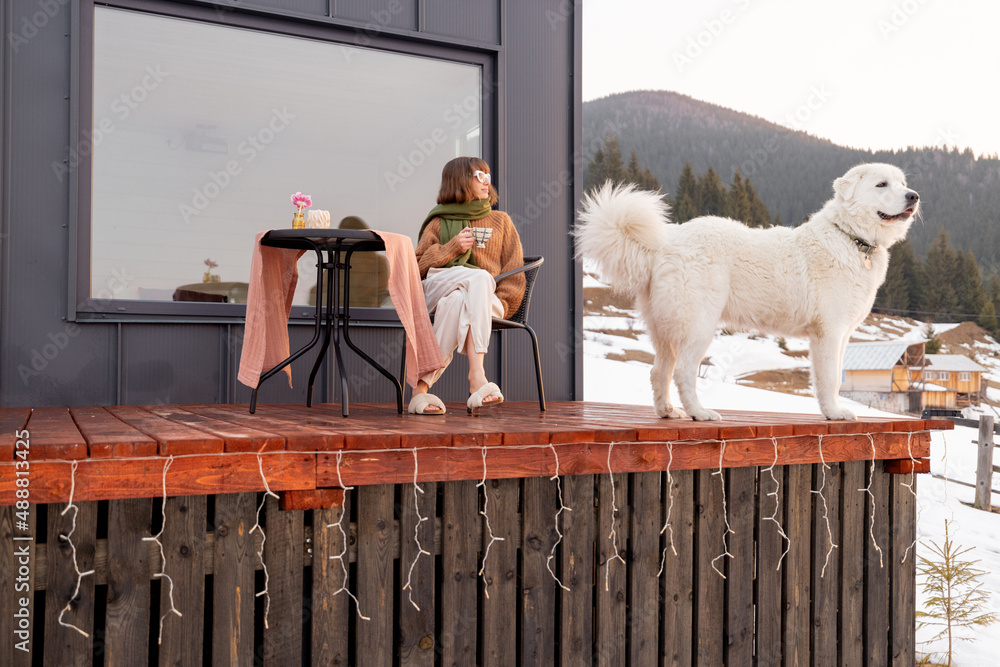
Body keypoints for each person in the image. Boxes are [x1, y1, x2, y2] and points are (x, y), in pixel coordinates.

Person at [409, 157, 525, 415]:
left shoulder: (501, 222)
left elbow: (515, 276)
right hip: (440, 288)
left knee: (460, 301)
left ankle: (419, 390)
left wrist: (501, 303)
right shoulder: (438, 222)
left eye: (488, 176)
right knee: (480, 278)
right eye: (479, 176)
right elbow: (415, 270)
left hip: (485, 300)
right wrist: (452, 249)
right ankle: (477, 376)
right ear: (460, 180)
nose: (486, 182)